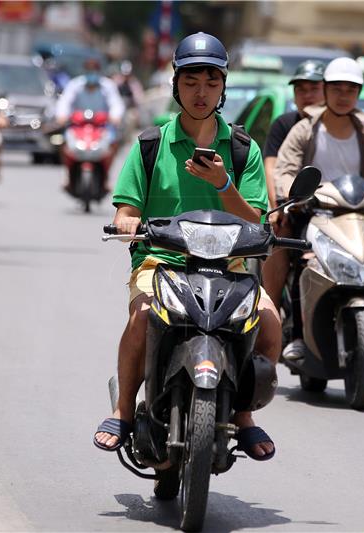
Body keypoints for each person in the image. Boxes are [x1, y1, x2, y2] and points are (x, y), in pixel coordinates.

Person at [93, 32, 279, 461]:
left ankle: (245, 415)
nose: (201, 92)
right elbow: (125, 210)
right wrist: (128, 223)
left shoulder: (241, 149)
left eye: (211, 82)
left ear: (223, 87)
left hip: (229, 265)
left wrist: (222, 184)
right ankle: (123, 411)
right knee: (141, 317)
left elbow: (256, 219)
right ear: (176, 84)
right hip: (162, 262)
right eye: (192, 81)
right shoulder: (149, 145)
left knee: (270, 322)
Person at [269, 56, 364, 362]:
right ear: (327, 91)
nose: (344, 95)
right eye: (337, 88)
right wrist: (290, 193)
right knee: (305, 262)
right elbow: (285, 168)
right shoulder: (305, 129)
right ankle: (296, 337)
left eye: (351, 89)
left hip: (362, 213)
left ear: (358, 94)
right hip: (315, 213)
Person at [260, 60, 325, 308]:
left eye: (313, 88)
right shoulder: (285, 125)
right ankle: (271, 312)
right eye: (301, 90)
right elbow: (272, 167)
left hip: (335, 208)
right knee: (277, 235)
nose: (307, 95)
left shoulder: (345, 125)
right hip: (294, 205)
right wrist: (277, 205)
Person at [56, 56, 125, 192]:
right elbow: (65, 102)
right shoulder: (75, 85)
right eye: (89, 70)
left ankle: (106, 177)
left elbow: (116, 104)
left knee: (113, 144)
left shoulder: (108, 86)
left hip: (101, 127)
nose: (91, 73)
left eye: (94, 70)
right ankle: (67, 175)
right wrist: (62, 116)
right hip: (78, 126)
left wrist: (115, 117)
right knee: (63, 143)